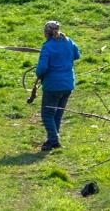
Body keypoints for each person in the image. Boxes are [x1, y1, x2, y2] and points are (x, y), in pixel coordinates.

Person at [36, 20, 80, 151]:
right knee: (58, 114)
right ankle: (53, 139)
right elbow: (77, 55)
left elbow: (42, 68)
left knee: (47, 114)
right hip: (68, 84)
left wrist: (37, 74)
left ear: (46, 33)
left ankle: (53, 140)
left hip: (53, 85)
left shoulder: (47, 46)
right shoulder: (69, 41)